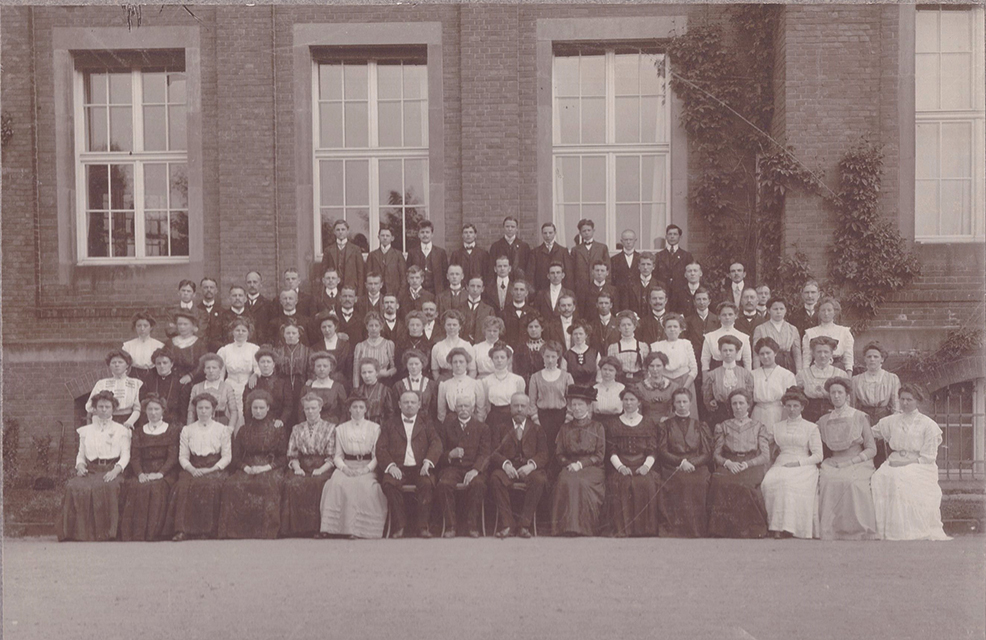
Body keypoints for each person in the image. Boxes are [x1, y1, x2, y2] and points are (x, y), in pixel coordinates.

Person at [870, 384, 950, 541]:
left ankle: (905, 530)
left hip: (920, 465)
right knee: (878, 478)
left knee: (900, 478)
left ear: (917, 401)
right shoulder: (891, 421)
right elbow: (870, 433)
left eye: (909, 400)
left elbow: (928, 457)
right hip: (893, 460)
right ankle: (882, 529)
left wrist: (904, 463)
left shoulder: (928, 425)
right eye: (902, 399)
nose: (905, 403)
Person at [58, 391, 131, 542]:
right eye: (100, 407)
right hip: (91, 470)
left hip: (112, 469)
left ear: (113, 409)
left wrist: (116, 470)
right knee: (73, 486)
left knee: (109, 487)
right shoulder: (86, 431)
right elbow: (81, 454)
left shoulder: (122, 430)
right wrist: (80, 466)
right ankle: (76, 533)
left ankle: (108, 533)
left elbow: (126, 455)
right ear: (95, 409)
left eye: (107, 407)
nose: (104, 410)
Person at [218, 390, 288, 539]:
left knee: (268, 484)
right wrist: (246, 468)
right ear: (250, 409)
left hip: (270, 466)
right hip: (248, 466)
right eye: (255, 408)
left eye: (262, 408)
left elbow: (283, 457)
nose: (258, 411)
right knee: (232, 484)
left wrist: (266, 467)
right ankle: (237, 531)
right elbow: (236, 457)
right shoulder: (243, 430)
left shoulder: (277, 428)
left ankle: (266, 531)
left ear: (268, 408)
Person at [817, 378, 878, 540]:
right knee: (828, 481)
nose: (836, 396)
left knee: (852, 482)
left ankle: (857, 530)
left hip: (858, 461)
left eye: (840, 392)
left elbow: (872, 449)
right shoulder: (824, 420)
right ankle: (833, 530)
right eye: (833, 393)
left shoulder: (859, 416)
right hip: (833, 461)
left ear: (847, 395)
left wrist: (852, 461)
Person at [167, 393, 233, 541]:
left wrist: (211, 469)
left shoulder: (222, 429)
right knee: (183, 486)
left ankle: (206, 530)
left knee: (210, 485)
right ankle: (181, 530)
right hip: (193, 466)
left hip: (214, 467)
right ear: (195, 410)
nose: (203, 411)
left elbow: (227, 456)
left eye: (207, 408)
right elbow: (183, 456)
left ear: (213, 410)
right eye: (200, 408)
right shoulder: (187, 430)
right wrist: (192, 469)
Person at [319, 397, 388, 538]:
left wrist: (366, 469)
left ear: (366, 409)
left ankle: (358, 529)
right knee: (335, 484)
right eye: (354, 407)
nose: (357, 410)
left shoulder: (375, 428)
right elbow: (337, 455)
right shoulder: (340, 429)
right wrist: (344, 469)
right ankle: (331, 528)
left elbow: (377, 455)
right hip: (347, 465)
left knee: (363, 485)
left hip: (367, 465)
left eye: (361, 407)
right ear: (349, 409)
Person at [378, 391, 443, 538]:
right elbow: (381, 448)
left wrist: (428, 462)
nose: (409, 405)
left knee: (427, 484)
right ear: (399, 405)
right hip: (398, 468)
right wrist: (391, 466)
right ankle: (399, 526)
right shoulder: (390, 424)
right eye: (406, 402)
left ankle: (422, 527)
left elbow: (436, 443)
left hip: (420, 468)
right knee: (389, 483)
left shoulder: (426, 423)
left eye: (413, 402)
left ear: (419, 405)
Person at [707, 389, 770, 538]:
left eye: (741, 403)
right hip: (730, 462)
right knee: (720, 481)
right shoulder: (723, 426)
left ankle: (750, 530)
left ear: (748, 405)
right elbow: (716, 454)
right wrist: (727, 463)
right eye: (734, 403)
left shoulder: (758, 426)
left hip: (751, 464)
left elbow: (765, 455)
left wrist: (748, 464)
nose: (738, 407)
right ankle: (723, 530)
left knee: (744, 484)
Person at [761, 387, 822, 539]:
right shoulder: (777, 427)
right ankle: (773, 526)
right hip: (781, 463)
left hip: (804, 465)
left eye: (795, 406)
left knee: (788, 483)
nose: (792, 409)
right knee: (768, 482)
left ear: (802, 407)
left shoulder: (811, 427)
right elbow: (767, 445)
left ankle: (789, 527)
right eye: (788, 406)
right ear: (784, 407)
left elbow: (818, 455)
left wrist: (798, 463)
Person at [120, 395, 180, 541]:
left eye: (157, 409)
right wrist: (140, 473)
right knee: (135, 487)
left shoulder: (171, 430)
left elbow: (172, 457)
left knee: (156, 488)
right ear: (145, 412)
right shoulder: (139, 431)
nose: (153, 413)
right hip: (144, 470)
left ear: (163, 411)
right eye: (150, 409)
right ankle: (136, 533)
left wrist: (160, 473)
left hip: (164, 472)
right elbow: (135, 457)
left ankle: (154, 533)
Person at [490, 393, 548, 539]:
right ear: (510, 408)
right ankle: (508, 525)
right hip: (508, 470)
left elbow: (544, 454)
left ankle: (524, 526)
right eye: (516, 406)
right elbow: (493, 452)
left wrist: (531, 465)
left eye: (523, 406)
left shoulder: (536, 429)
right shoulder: (501, 427)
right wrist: (506, 464)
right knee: (495, 478)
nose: (519, 409)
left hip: (528, 470)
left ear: (529, 409)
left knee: (539, 479)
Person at [656, 389, 712, 537]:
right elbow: (662, 451)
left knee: (699, 482)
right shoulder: (665, 425)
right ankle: (675, 529)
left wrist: (692, 463)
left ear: (690, 403)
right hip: (672, 465)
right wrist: (681, 462)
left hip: (696, 465)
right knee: (680, 481)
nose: (681, 405)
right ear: (673, 404)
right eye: (678, 402)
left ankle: (697, 529)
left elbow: (706, 452)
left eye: (684, 401)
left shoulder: (700, 425)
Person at [551, 385, 606, 536]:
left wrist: (581, 464)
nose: (576, 408)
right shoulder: (565, 428)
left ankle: (584, 528)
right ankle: (565, 528)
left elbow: (600, 455)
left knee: (581, 482)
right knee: (565, 480)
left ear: (588, 406)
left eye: (580, 404)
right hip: (570, 466)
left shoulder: (597, 427)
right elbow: (559, 453)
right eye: (573, 405)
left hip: (592, 468)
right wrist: (569, 464)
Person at [280, 393, 337, 538]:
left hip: (323, 465)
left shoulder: (330, 428)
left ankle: (317, 529)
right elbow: (292, 453)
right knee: (292, 483)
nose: (310, 411)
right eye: (307, 409)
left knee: (317, 484)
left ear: (320, 408)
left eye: (313, 408)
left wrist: (321, 469)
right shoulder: (297, 428)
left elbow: (332, 456)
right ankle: (296, 529)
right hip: (302, 465)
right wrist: (297, 468)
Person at [606, 387, 659, 537]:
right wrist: (620, 467)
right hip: (621, 464)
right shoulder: (613, 423)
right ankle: (623, 529)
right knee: (621, 484)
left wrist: (646, 467)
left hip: (642, 464)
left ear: (639, 402)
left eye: (632, 400)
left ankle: (644, 530)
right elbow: (612, 450)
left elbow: (652, 449)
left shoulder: (648, 423)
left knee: (645, 483)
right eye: (626, 400)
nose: (628, 403)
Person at [437, 395, 491, 537]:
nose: (463, 409)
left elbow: (485, 454)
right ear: (455, 408)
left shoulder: (482, 428)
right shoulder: (446, 427)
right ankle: (451, 526)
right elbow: (438, 452)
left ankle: (472, 525)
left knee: (479, 484)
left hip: (473, 468)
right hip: (452, 468)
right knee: (444, 484)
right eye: (460, 406)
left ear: (472, 408)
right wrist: (450, 454)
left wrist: (475, 470)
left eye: (466, 406)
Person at [850, 341, 901, 467]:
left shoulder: (892, 378)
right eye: (869, 356)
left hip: (884, 416)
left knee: (883, 453)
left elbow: (896, 403)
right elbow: (852, 405)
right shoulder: (856, 380)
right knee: (864, 450)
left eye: (876, 356)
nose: (872, 359)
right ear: (865, 359)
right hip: (864, 417)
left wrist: (892, 424)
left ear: (882, 359)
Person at [528, 341, 575, 460]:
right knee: (543, 448)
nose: (550, 360)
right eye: (547, 356)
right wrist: (536, 421)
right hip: (542, 418)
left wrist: (567, 421)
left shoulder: (566, 376)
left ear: (558, 357)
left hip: (561, 417)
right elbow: (531, 402)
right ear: (542, 356)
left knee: (560, 447)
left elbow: (571, 401)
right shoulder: (535, 377)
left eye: (553, 356)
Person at [216, 317, 260, 430]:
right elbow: (220, 372)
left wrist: (255, 375)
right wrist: (220, 388)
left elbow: (258, 368)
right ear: (232, 332)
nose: (240, 333)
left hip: (247, 385)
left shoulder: (254, 349)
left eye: (243, 330)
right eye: (237, 330)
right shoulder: (225, 350)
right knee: (229, 413)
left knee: (244, 414)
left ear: (248, 333)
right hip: (230, 384)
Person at [701, 336, 754, 429]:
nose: (728, 353)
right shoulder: (712, 374)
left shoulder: (746, 374)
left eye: (731, 350)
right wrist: (712, 403)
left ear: (736, 352)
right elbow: (707, 397)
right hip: (720, 413)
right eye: (725, 350)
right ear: (720, 352)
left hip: (740, 411)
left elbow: (749, 396)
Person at [481, 342, 527, 445]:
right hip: (493, 419)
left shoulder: (517, 380)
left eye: (502, 357)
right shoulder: (486, 381)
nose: (499, 360)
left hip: (511, 417)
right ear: (492, 360)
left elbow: (521, 402)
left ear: (508, 359)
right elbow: (486, 405)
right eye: (496, 358)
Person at [750, 337, 798, 436]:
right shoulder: (752, 374)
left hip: (778, 413)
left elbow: (791, 399)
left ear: (775, 353)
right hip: (757, 413)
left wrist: (784, 420)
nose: (765, 356)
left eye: (768, 353)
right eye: (762, 354)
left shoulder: (786, 375)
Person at [85, 349, 144, 428]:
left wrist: (129, 423)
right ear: (109, 365)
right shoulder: (101, 383)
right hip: (106, 421)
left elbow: (137, 408)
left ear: (127, 365)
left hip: (129, 421)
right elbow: (91, 406)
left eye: (120, 362)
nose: (117, 365)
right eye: (113, 362)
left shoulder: (137, 383)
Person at [796, 336, 848, 423]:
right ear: (813, 353)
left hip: (834, 414)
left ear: (831, 353)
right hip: (809, 415)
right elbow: (797, 398)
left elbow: (847, 400)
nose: (822, 355)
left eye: (826, 352)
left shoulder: (841, 374)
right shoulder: (803, 374)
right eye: (819, 352)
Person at [650, 313, 698, 405]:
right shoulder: (656, 346)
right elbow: (652, 369)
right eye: (669, 327)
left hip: (685, 383)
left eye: (675, 326)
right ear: (664, 329)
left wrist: (684, 388)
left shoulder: (686, 344)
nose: (672, 329)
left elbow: (694, 369)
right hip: (664, 384)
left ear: (680, 329)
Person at [271, 321, 310, 424]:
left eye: (294, 333)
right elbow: (274, 370)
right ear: (283, 334)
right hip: (283, 386)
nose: (291, 336)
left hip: (301, 384)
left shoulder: (307, 351)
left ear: (299, 334)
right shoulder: (277, 351)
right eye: (288, 333)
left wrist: (310, 379)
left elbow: (311, 369)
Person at [187, 353, 240, 430]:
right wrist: (189, 430)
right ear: (204, 370)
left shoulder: (227, 387)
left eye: (214, 368)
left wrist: (230, 429)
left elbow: (234, 411)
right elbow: (191, 411)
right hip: (201, 424)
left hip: (221, 424)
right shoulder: (196, 387)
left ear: (220, 369)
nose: (211, 371)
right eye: (208, 368)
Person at [141, 348, 191, 428]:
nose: (162, 366)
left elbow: (183, 410)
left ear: (171, 364)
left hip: (173, 423)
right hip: (151, 421)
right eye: (158, 363)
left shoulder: (180, 382)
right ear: (155, 365)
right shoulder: (148, 382)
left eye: (165, 363)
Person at [802, 297, 854, 372]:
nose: (826, 313)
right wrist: (805, 374)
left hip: (838, 368)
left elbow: (848, 357)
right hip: (816, 369)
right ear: (818, 312)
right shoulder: (810, 333)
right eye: (823, 310)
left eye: (829, 310)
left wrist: (849, 374)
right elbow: (807, 358)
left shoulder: (844, 332)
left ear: (835, 312)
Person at [752, 297, 802, 373]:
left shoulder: (792, 329)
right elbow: (756, 354)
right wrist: (756, 371)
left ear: (785, 310)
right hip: (767, 364)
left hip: (788, 365)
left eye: (781, 309)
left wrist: (799, 371)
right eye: (775, 309)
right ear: (768, 310)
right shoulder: (760, 329)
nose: (778, 312)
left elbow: (797, 354)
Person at [436, 348, 487, 423]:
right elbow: (441, 412)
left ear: (467, 364)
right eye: (455, 362)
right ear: (451, 365)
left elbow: (481, 410)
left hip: (472, 423)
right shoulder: (444, 385)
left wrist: (478, 425)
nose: (458, 365)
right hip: (451, 423)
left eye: (461, 362)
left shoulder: (476, 384)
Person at [248, 348, 293, 430]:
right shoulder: (252, 382)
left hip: (278, 423)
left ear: (273, 364)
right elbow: (247, 407)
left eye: (268, 362)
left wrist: (282, 420)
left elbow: (288, 405)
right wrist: (251, 423)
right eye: (262, 362)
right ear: (258, 364)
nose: (265, 365)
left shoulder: (283, 382)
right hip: (257, 424)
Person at [700, 302, 753, 371]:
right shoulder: (710, 336)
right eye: (724, 315)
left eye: (730, 314)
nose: (727, 317)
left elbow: (747, 360)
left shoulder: (744, 337)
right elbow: (705, 359)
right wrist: (705, 379)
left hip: (738, 371)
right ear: (719, 317)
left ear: (736, 316)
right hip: (716, 370)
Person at [352, 312, 397, 389]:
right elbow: (356, 372)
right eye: (371, 325)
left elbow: (394, 368)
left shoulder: (388, 344)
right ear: (366, 327)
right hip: (365, 384)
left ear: (381, 327)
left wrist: (386, 373)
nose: (374, 328)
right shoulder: (360, 346)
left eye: (376, 325)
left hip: (384, 384)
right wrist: (356, 389)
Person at [321, 219, 366, 295]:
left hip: (351, 288)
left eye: (343, 229)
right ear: (334, 232)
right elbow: (323, 272)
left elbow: (360, 274)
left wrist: (359, 294)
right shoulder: (328, 250)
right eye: (338, 230)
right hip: (333, 289)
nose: (340, 232)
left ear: (347, 231)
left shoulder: (355, 249)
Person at [392, 349, 439, 421]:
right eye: (410, 364)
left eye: (417, 364)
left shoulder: (431, 385)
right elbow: (395, 409)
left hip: (427, 423)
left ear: (422, 365)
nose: (413, 367)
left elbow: (434, 409)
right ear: (406, 365)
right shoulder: (399, 385)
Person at [633, 352, 680, 421]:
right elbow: (637, 411)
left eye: (658, 366)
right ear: (647, 367)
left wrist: (669, 418)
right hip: (646, 424)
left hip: (669, 424)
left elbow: (677, 410)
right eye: (651, 366)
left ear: (664, 366)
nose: (655, 369)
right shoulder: (639, 387)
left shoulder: (674, 387)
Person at [302, 352, 348, 423]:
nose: (322, 369)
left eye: (325, 366)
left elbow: (345, 412)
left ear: (331, 368)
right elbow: (300, 413)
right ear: (314, 368)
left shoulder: (338, 387)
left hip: (333, 426)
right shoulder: (307, 388)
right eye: (318, 366)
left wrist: (339, 428)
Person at [607, 310, 650, 385]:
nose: (626, 327)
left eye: (629, 324)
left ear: (634, 327)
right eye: (623, 325)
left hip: (639, 383)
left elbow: (646, 370)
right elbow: (611, 369)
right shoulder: (613, 348)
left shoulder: (643, 346)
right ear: (619, 328)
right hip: (620, 383)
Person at [406, 220, 449, 294]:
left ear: (432, 234)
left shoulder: (440, 252)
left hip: (437, 292)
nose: (425, 235)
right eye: (422, 232)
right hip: (418, 292)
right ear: (418, 235)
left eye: (427, 232)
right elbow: (408, 273)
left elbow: (445, 274)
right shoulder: (412, 252)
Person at [431, 310, 477, 380]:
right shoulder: (437, 347)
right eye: (448, 324)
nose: (451, 327)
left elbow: (472, 370)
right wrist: (440, 384)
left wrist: (466, 385)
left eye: (454, 325)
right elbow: (435, 370)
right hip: (443, 381)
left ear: (460, 327)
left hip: (463, 381)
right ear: (444, 326)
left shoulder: (467, 346)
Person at [570, 219, 609, 299]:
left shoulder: (602, 248)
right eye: (584, 231)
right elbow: (572, 270)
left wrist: (607, 285)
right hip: (581, 288)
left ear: (593, 231)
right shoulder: (575, 250)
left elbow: (608, 268)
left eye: (589, 230)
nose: (587, 233)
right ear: (580, 233)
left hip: (598, 285)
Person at [311, 311, 352, 387]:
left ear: (335, 326)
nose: (327, 330)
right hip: (321, 384)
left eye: (330, 326)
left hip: (342, 384)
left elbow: (349, 370)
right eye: (324, 327)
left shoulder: (345, 346)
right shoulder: (316, 347)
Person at [351, 357, 397, 425]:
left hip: (380, 427)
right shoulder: (357, 391)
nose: (367, 376)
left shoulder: (385, 391)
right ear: (360, 374)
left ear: (377, 372)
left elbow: (391, 415)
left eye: (370, 372)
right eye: (364, 373)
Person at [123, 312, 164, 384]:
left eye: (145, 326)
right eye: (139, 326)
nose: (142, 328)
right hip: (134, 375)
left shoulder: (159, 345)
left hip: (153, 375)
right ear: (135, 327)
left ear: (151, 327)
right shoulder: (128, 345)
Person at [654, 224, 693, 300]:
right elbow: (655, 275)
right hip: (663, 294)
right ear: (666, 237)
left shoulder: (686, 256)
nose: (672, 236)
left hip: (681, 294)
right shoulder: (659, 256)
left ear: (680, 237)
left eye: (675, 234)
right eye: (670, 234)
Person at [531, 222, 572, 293]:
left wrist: (567, 291)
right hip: (541, 289)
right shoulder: (535, 252)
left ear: (555, 233)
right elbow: (531, 274)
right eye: (545, 233)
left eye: (550, 233)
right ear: (542, 234)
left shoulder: (563, 251)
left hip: (560, 289)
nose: (548, 235)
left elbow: (568, 273)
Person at [170, 311, 208, 386]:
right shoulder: (170, 343)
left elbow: (203, 364)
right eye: (179, 324)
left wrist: (191, 376)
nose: (182, 327)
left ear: (192, 326)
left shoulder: (199, 344)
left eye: (185, 324)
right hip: (173, 380)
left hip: (194, 381)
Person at [367, 226, 408, 296]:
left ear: (392, 238)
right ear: (378, 237)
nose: (385, 238)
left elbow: (403, 278)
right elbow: (368, 276)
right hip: (377, 294)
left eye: (387, 236)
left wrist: (399, 296)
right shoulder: (372, 255)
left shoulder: (398, 255)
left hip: (394, 293)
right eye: (382, 235)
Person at [449, 223, 492, 291]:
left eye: (471, 232)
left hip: (478, 290)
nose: (468, 235)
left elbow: (487, 275)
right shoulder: (456, 254)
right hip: (461, 290)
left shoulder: (483, 254)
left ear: (475, 235)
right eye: (465, 232)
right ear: (462, 235)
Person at [395, 311, 434, 378]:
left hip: (423, 378)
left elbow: (429, 366)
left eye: (418, 325)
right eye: (412, 325)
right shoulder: (401, 343)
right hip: (403, 377)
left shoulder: (428, 345)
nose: (414, 328)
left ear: (423, 326)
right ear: (408, 326)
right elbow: (398, 364)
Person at [512, 313, 547, 384]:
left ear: (542, 328)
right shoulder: (520, 348)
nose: (533, 329)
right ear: (527, 329)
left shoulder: (548, 347)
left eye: (536, 326)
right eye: (530, 327)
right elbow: (516, 370)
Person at [592, 357, 626, 429]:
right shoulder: (594, 388)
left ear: (616, 372)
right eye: (605, 369)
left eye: (611, 370)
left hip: (617, 425)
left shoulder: (622, 388)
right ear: (600, 370)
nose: (607, 372)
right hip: (597, 425)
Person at [563, 320, 599, 386]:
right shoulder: (567, 355)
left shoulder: (595, 353)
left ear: (586, 335)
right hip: (573, 391)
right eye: (575, 334)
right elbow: (563, 376)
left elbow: (599, 375)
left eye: (581, 334)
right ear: (572, 336)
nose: (578, 336)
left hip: (591, 391)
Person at [461, 276, 496, 343]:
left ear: (482, 289)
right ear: (467, 287)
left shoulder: (489, 310)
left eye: (478, 286)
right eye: (472, 286)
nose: (475, 289)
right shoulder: (459, 308)